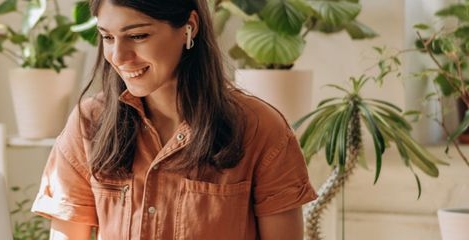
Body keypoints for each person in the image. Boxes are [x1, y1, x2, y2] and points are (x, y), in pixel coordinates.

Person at [30, 0, 318, 239]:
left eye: (138, 35)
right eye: (107, 37)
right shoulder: (89, 122)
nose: (118, 56)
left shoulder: (260, 127)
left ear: (189, 27)